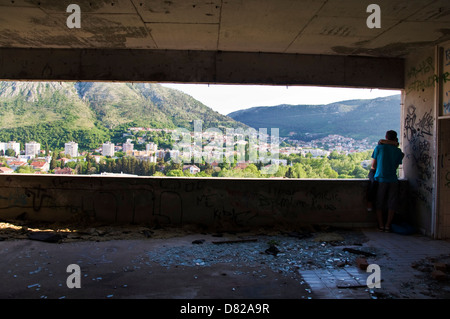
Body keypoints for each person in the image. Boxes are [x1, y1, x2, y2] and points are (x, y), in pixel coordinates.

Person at [371, 130, 404, 232]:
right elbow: (396, 165)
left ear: (386, 137)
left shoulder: (379, 148)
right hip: (393, 179)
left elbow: (373, 165)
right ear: (395, 138)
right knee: (392, 203)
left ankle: (381, 225)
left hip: (380, 178)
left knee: (379, 203)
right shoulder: (398, 151)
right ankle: (388, 225)